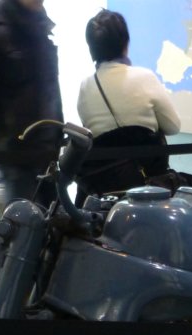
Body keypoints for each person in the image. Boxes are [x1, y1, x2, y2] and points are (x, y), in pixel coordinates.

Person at [74, 9, 184, 199]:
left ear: (92, 48)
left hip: (103, 191)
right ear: (125, 43)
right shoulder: (144, 78)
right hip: (148, 186)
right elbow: (173, 126)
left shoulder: (85, 86)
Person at [0, 0, 63, 205]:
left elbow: (50, 88)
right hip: (16, 157)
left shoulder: (40, 26)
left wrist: (58, 137)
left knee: (55, 220)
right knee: (23, 220)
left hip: (47, 152)